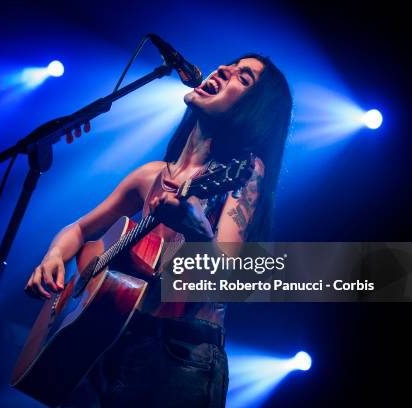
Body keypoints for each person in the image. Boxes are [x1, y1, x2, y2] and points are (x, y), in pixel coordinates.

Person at [24, 53, 293, 407]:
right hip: (114, 343)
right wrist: (54, 255)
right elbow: (79, 229)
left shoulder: (242, 173)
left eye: (243, 79)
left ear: (255, 112)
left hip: (180, 356)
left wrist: (199, 233)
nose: (224, 70)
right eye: (229, 65)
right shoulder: (151, 175)